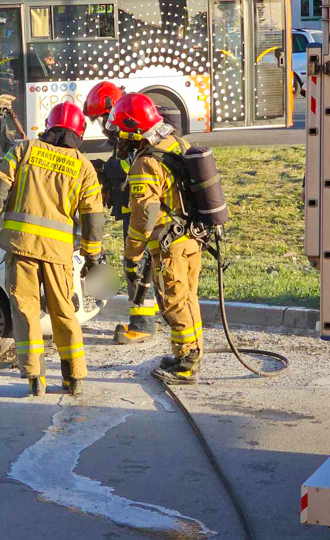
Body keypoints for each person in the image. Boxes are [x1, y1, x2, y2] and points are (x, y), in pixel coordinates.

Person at [0, 102, 105, 396]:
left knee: (26, 310)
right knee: (64, 312)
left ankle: (35, 377)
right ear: (78, 132)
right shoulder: (83, 168)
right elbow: (92, 218)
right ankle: (74, 377)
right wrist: (92, 256)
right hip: (58, 254)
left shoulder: (25, 151)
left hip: (22, 248)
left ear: (49, 126)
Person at [106, 93, 202, 384]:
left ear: (134, 131)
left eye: (121, 132)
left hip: (170, 245)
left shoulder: (145, 164)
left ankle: (186, 367)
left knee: (173, 303)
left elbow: (142, 218)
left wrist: (132, 254)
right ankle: (189, 352)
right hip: (191, 238)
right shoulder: (175, 143)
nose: (118, 139)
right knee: (188, 299)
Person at [83, 81, 160, 344]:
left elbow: (134, 168)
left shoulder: (134, 133)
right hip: (136, 207)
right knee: (145, 265)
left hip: (142, 210)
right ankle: (146, 321)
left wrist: (105, 171)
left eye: (103, 118)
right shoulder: (125, 133)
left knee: (138, 264)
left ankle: (142, 326)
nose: (103, 125)